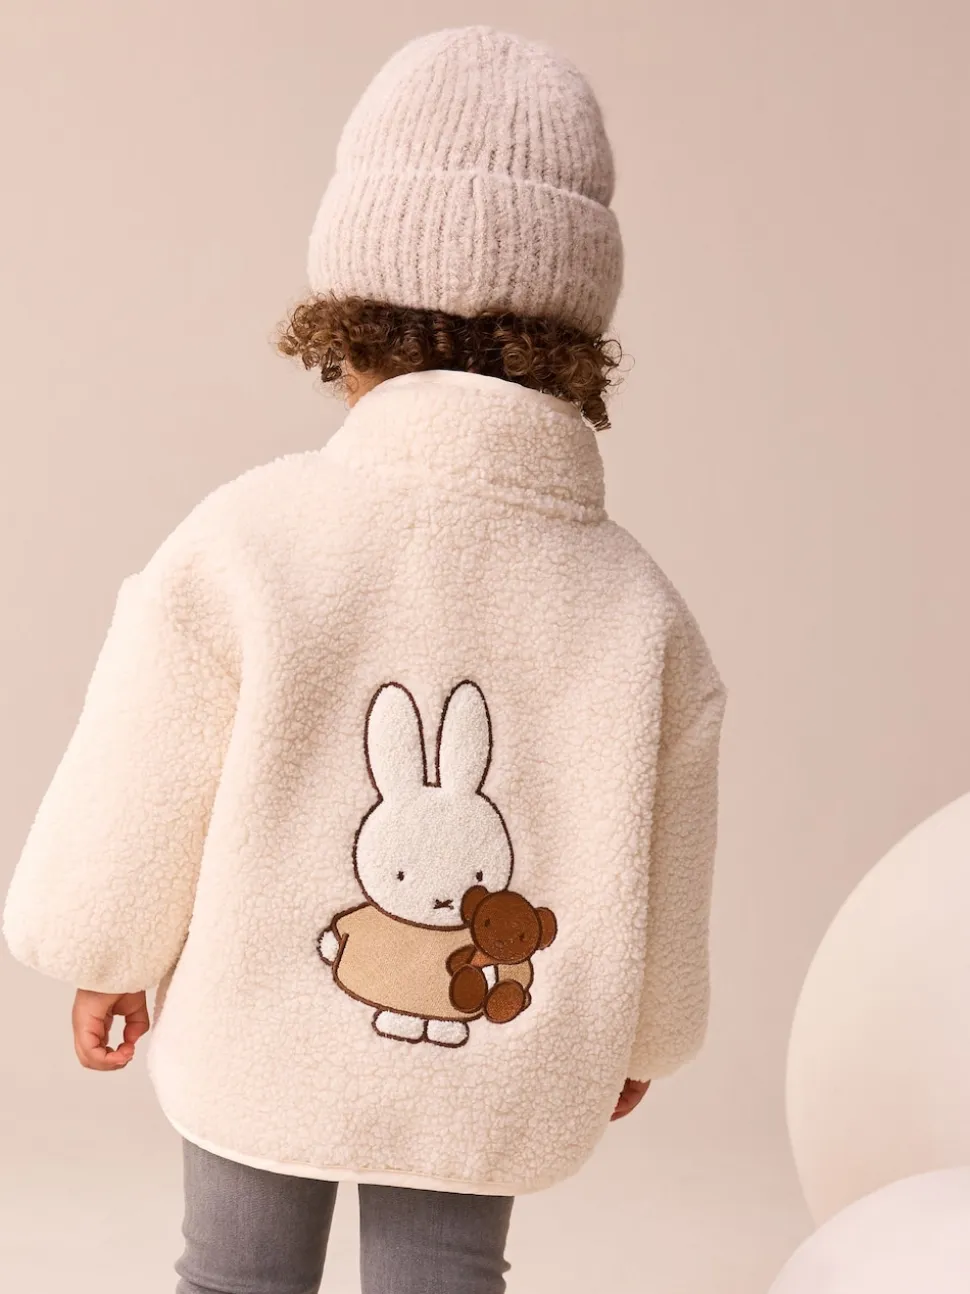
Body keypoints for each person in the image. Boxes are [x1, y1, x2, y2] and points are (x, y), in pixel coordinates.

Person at [2, 24, 728, 1294]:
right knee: (444, 1276)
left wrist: (104, 949)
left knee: (234, 1274)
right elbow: (666, 829)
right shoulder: (636, 606)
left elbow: (146, 763)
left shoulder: (250, 536)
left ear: (347, 317)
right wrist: (641, 1027)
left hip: (258, 1022)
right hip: (493, 1045)